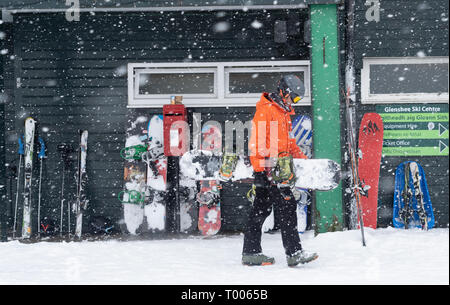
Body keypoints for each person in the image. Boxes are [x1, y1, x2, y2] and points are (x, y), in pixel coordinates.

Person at [242, 75, 318, 267]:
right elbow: (257, 144)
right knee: (287, 208)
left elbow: (290, 144)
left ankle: (251, 253)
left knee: (261, 209)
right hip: (270, 170)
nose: (295, 102)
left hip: (277, 170)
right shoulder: (266, 111)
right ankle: (294, 253)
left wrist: (305, 162)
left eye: (298, 100)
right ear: (284, 92)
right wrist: (267, 168)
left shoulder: (283, 113)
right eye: (295, 97)